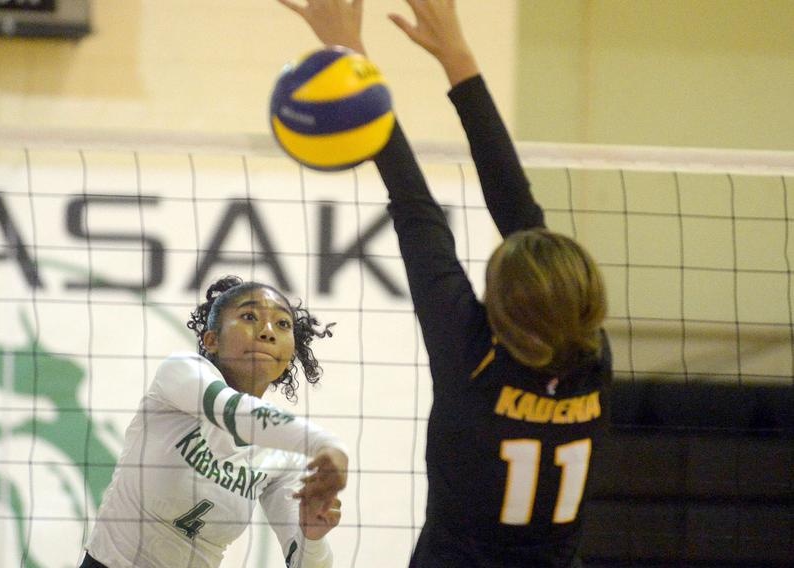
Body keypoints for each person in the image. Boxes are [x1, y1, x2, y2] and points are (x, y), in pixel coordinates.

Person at [277, 1, 611, 566]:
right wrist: (455, 58)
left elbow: (425, 210)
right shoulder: (590, 357)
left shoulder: (473, 357)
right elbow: (449, 210)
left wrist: (354, 61)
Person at [80, 275, 348, 568]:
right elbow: (233, 412)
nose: (268, 332)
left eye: (282, 324)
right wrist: (324, 444)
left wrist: (312, 536)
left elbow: (306, 564)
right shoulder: (181, 372)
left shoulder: (281, 454)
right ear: (212, 340)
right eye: (249, 316)